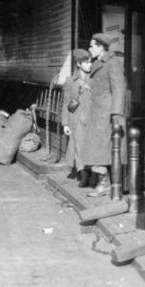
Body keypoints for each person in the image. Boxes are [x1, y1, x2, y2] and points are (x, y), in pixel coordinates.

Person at [81, 33, 127, 197]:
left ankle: (106, 184)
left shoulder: (112, 63)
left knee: (102, 151)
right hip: (98, 114)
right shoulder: (99, 63)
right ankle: (104, 182)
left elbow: (119, 89)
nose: (89, 48)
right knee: (97, 151)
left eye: (92, 46)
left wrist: (116, 113)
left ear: (101, 47)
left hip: (106, 115)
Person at [61, 49, 92, 186]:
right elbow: (66, 103)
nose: (90, 65)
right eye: (86, 62)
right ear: (79, 63)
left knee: (89, 146)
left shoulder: (95, 79)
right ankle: (83, 173)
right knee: (79, 146)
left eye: (90, 62)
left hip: (91, 118)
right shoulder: (70, 81)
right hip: (77, 119)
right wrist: (65, 124)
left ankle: (91, 173)